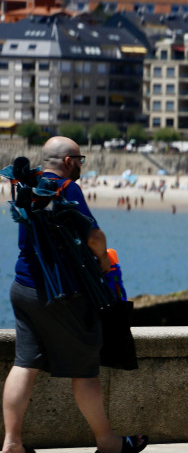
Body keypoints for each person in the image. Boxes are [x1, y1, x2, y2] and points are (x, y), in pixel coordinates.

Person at [3, 137, 148, 453]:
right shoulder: (65, 188)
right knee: (85, 369)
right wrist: (104, 263)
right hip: (64, 293)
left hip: (24, 287)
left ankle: (12, 443)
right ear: (69, 161)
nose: (81, 164)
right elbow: (94, 236)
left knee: (25, 362)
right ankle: (108, 442)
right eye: (80, 158)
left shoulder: (28, 185)